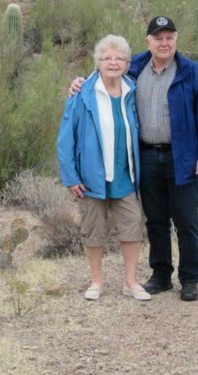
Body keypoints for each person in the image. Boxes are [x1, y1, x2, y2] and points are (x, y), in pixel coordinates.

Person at [70, 16, 198, 301]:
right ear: (148, 42)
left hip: (184, 159)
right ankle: (161, 275)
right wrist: (80, 82)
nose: (164, 43)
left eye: (169, 38)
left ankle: (189, 279)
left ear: (176, 40)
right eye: (158, 38)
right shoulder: (136, 67)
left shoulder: (192, 73)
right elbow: (106, 70)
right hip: (147, 157)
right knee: (156, 220)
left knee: (186, 221)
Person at [57, 35, 151, 301]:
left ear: (127, 63)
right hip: (90, 178)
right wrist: (70, 177)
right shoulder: (82, 93)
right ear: (97, 63)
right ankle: (96, 281)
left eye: (119, 58)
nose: (113, 62)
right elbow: (66, 139)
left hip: (125, 175)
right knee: (94, 231)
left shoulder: (133, 91)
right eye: (106, 58)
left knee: (132, 228)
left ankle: (130, 283)